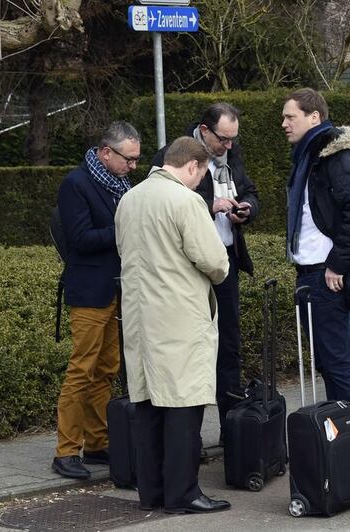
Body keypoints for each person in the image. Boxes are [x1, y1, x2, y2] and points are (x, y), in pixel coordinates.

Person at [116, 137, 231, 514]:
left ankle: (152, 493)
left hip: (138, 316)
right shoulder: (185, 200)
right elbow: (215, 262)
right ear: (193, 166)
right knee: (184, 405)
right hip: (179, 316)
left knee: (148, 406)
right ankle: (183, 494)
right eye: (201, 176)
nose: (201, 183)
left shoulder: (129, 199)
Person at [282, 88, 350, 457]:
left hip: (323, 275)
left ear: (314, 117)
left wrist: (336, 264)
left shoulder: (334, 156)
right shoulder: (312, 156)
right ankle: (342, 446)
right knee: (332, 362)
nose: (284, 123)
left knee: (338, 363)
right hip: (311, 272)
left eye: (290, 116)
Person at [152, 103, 259, 443]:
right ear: (205, 130)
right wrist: (209, 204)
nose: (229, 146)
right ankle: (188, 439)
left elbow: (250, 190)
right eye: (223, 139)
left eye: (233, 140)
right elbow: (166, 201)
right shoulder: (173, 155)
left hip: (224, 260)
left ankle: (231, 430)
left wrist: (246, 209)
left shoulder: (232, 153)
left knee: (229, 345)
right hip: (187, 267)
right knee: (188, 351)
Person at [52, 121, 140, 480]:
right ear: (106, 152)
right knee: (81, 371)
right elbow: (80, 239)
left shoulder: (120, 184)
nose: (133, 167)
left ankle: (98, 442)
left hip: (116, 288)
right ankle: (65, 451)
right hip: (90, 289)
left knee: (106, 370)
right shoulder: (76, 184)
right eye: (128, 159)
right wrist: (127, 227)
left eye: (136, 161)